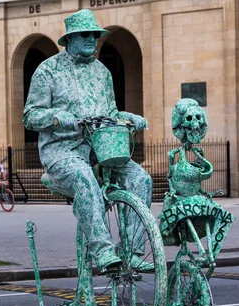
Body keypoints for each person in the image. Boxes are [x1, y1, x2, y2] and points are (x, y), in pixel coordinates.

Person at [23, 9, 152, 272]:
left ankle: (132, 252)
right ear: (69, 38)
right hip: (63, 150)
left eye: (95, 34)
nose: (92, 39)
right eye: (85, 34)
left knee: (142, 179)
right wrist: (57, 116)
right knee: (85, 178)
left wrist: (131, 117)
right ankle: (103, 251)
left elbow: (111, 114)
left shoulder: (102, 72)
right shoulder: (48, 70)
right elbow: (30, 116)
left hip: (102, 147)